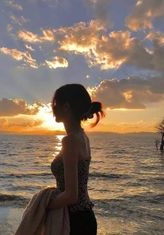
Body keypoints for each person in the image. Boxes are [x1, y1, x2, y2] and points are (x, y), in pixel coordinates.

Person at [47, 84, 105, 235]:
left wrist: (43, 206)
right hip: (84, 217)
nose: (52, 108)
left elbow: (71, 195)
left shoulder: (70, 141)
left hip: (75, 222)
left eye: (54, 103)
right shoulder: (83, 137)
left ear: (66, 106)